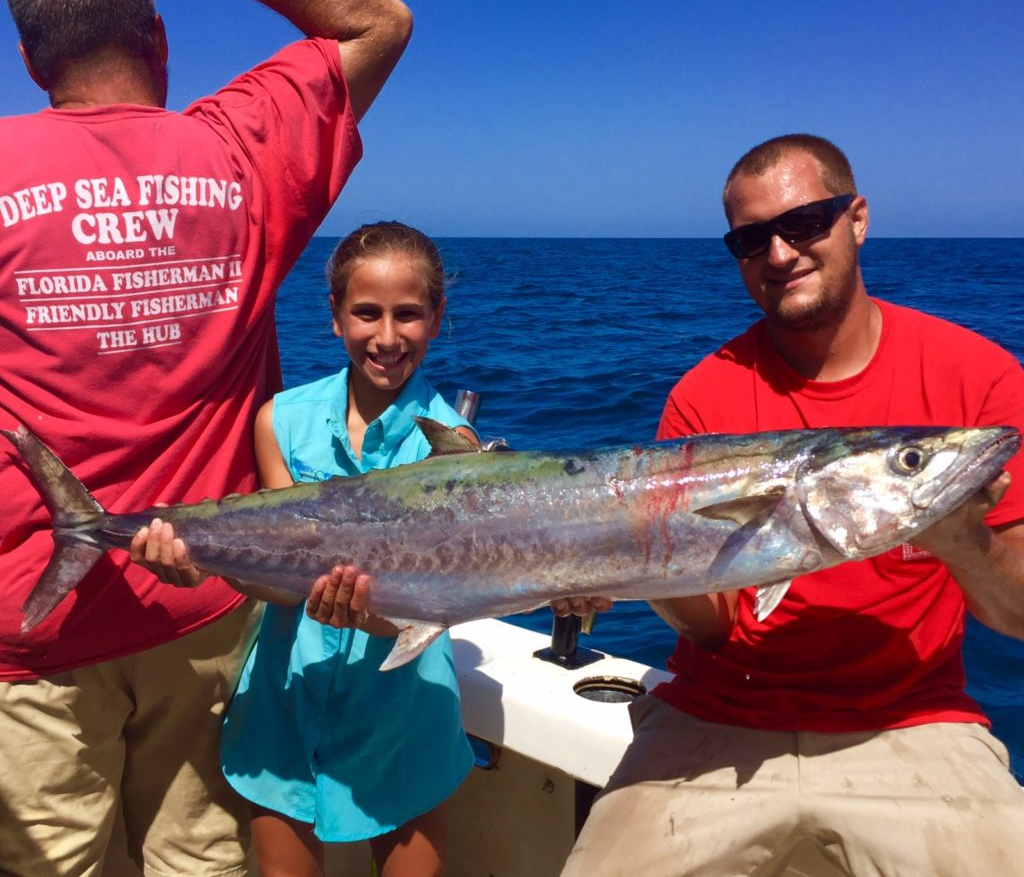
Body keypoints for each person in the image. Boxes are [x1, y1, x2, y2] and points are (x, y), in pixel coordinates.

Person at [0, 0, 411, 876]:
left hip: (30, 623)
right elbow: (379, 22)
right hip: (210, 605)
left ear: (29, 61)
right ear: (160, 37)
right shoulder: (236, 151)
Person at [561, 134, 1024, 877]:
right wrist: (637, 573)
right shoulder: (701, 396)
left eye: (805, 223)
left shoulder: (978, 381)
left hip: (912, 725)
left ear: (858, 219)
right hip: (716, 717)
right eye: (751, 240)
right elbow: (715, 631)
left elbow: (1020, 616)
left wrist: (960, 541)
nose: (780, 254)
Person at [135, 221, 475, 877]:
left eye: (408, 315)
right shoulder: (280, 419)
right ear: (335, 318)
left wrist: (370, 613)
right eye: (366, 313)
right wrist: (196, 563)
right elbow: (280, 577)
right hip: (286, 694)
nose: (385, 336)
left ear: (436, 318)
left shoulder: (456, 445)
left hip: (405, 708)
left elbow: (437, 595)